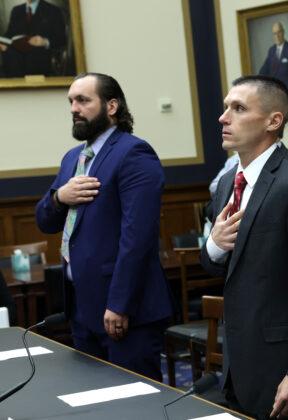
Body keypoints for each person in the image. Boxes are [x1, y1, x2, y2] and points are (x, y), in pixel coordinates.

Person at [201, 75, 288, 419]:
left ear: (273, 121)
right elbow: (223, 268)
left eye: (238, 108)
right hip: (239, 362)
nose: (223, 118)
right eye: (224, 108)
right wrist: (213, 247)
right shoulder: (226, 188)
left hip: (283, 367)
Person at [35, 73, 173, 380]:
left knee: (135, 405)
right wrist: (60, 197)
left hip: (124, 310)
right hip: (82, 308)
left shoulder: (134, 153)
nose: (74, 108)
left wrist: (119, 304)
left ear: (111, 106)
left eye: (83, 100)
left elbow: (137, 238)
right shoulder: (73, 159)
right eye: (71, 101)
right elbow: (45, 221)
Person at [0, 0, 67, 77]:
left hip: (40, 59)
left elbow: (62, 39)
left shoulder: (53, 10)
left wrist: (45, 42)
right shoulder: (16, 10)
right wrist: (3, 44)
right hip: (15, 59)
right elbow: (9, 34)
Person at [259, 22, 288, 105]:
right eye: (274, 34)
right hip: (273, 94)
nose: (277, 36)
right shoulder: (271, 50)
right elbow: (263, 71)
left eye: (279, 32)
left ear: (283, 32)